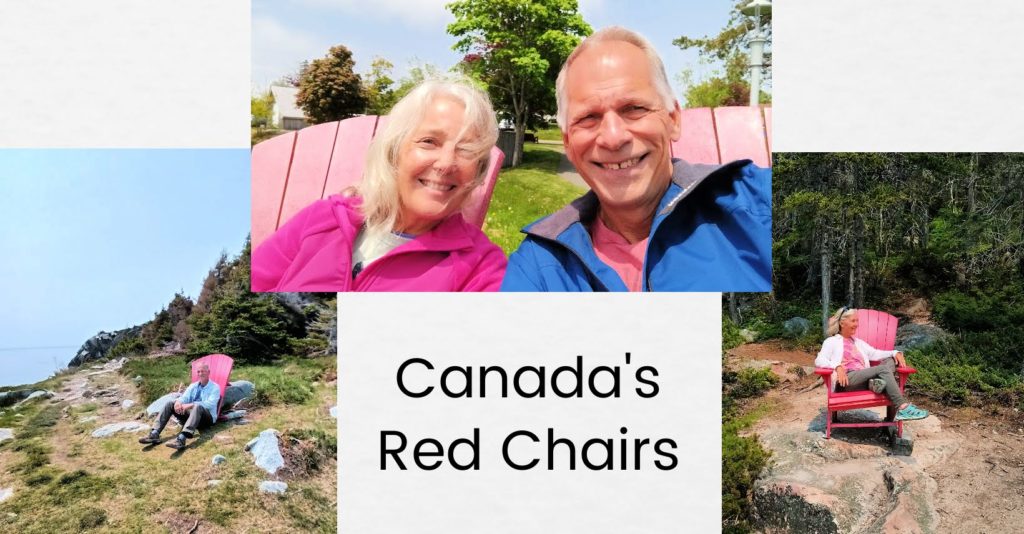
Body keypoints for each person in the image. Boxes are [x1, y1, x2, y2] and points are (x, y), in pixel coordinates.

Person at [500, 26, 771, 292]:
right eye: (588, 117)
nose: (614, 137)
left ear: (673, 119)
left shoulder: (760, 203)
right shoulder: (540, 266)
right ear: (568, 143)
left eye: (634, 109)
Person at [251, 79, 507, 292]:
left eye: (466, 150)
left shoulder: (481, 268)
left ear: (478, 171)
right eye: (429, 141)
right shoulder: (324, 219)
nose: (446, 163)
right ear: (393, 152)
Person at [814, 307, 928, 421]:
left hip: (864, 379)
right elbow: (819, 360)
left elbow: (875, 353)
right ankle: (902, 407)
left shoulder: (857, 342)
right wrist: (837, 367)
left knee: (891, 360)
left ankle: (878, 383)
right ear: (842, 323)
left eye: (857, 321)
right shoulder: (831, 342)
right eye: (853, 321)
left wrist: (895, 353)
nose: (857, 324)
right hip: (847, 380)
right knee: (882, 369)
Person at [139, 362, 221, 450]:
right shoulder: (193, 386)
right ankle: (155, 433)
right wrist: (178, 402)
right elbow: (184, 397)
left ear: (208, 372)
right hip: (192, 416)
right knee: (170, 404)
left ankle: (181, 439)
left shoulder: (215, 387)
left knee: (197, 406)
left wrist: (190, 405)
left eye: (203, 371)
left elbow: (210, 404)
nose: (200, 374)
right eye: (198, 372)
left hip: (207, 419)